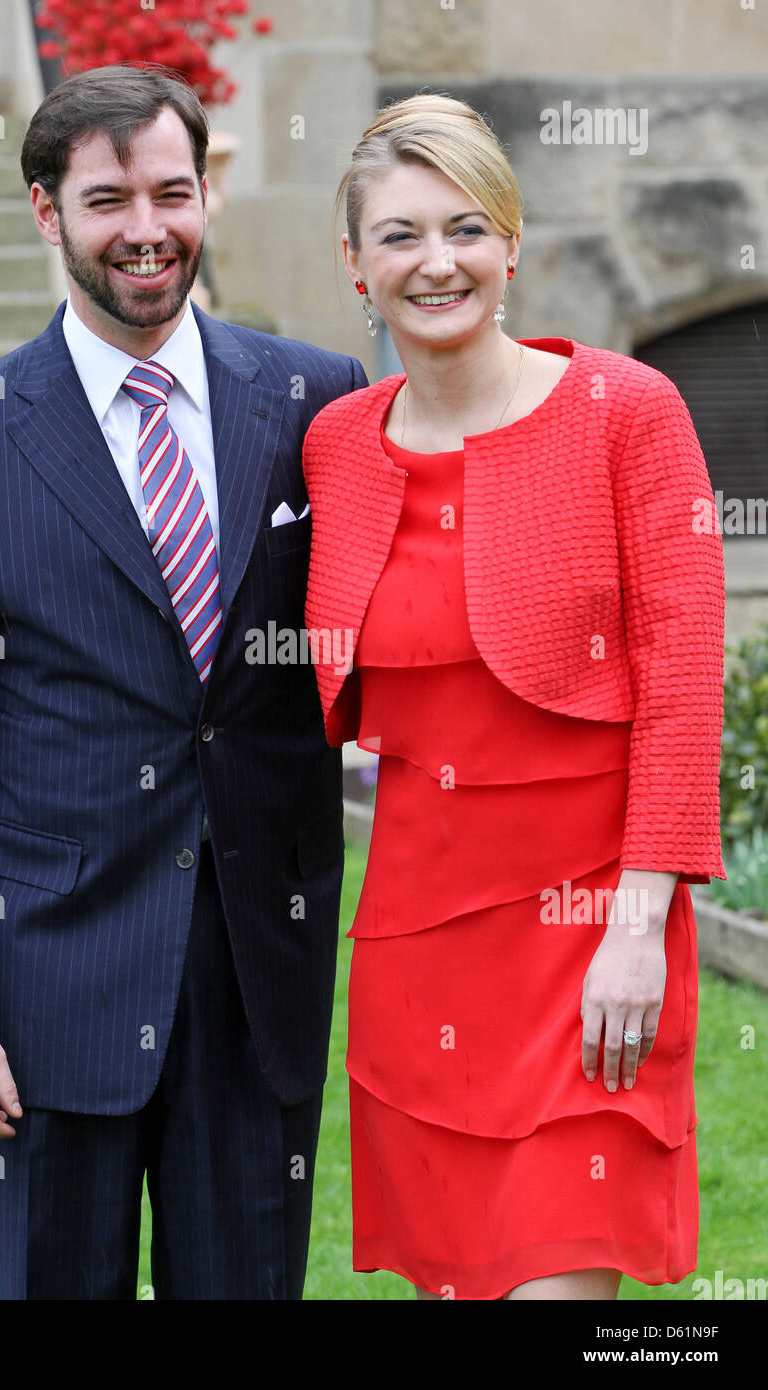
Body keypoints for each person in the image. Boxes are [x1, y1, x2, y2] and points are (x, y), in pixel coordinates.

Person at [0, 64, 367, 1301]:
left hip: (259, 982)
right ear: (48, 212)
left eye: (172, 191)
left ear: (207, 195)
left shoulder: (317, 402)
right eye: (106, 200)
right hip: (43, 996)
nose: (146, 228)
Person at [302, 94, 726, 1301]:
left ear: (512, 240)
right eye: (397, 235)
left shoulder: (627, 413)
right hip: (416, 935)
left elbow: (683, 675)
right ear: (352, 264)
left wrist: (636, 927)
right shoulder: (334, 442)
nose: (435, 262)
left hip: (592, 930)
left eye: (465, 227)